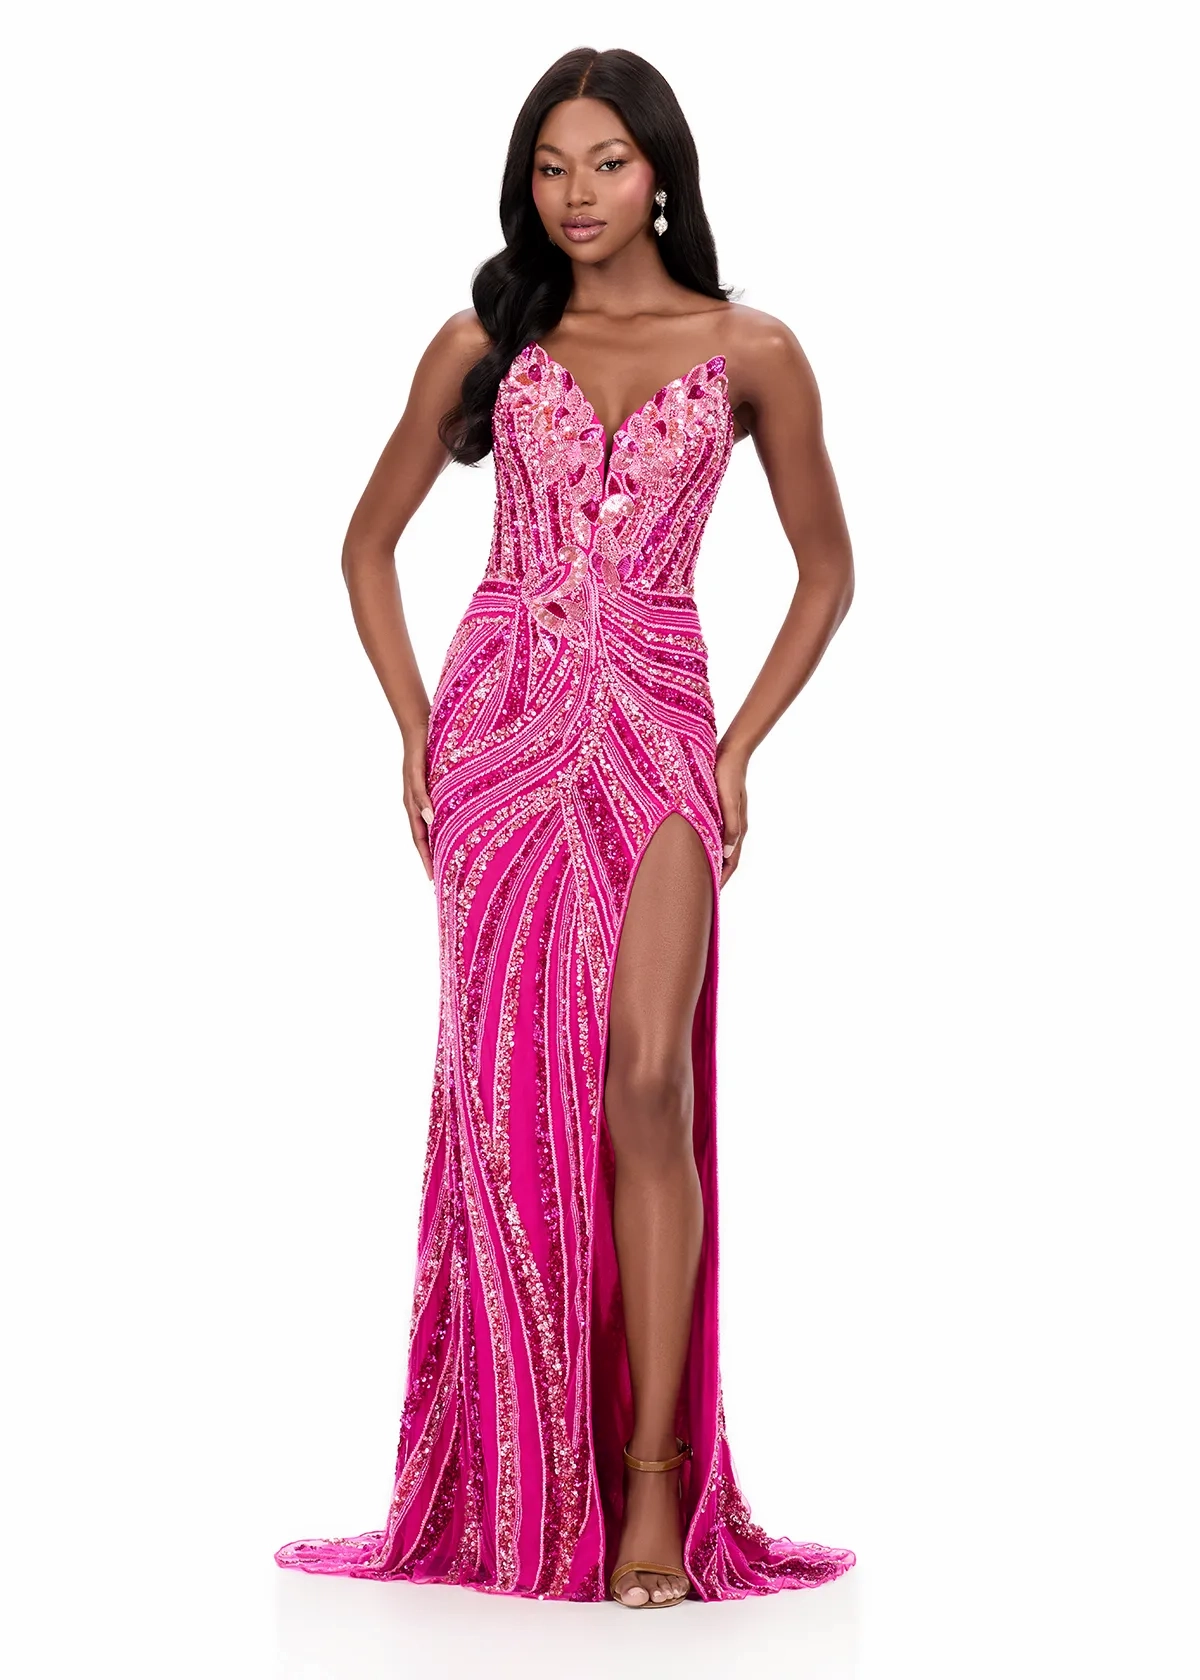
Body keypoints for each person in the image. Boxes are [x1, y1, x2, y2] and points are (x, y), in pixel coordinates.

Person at [276, 45, 856, 1610]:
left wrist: (739, 748)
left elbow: (828, 569)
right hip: (499, 730)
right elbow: (365, 545)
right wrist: (416, 725)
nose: (576, 193)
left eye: (605, 161)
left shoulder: (751, 351)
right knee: (512, 1100)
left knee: (648, 1080)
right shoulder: (487, 340)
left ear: (660, 172)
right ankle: (529, 1468)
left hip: (659, 720)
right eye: (550, 165)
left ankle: (655, 1482)